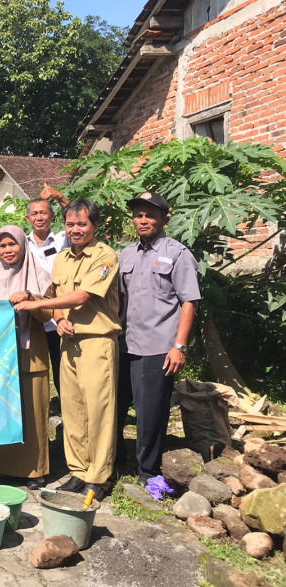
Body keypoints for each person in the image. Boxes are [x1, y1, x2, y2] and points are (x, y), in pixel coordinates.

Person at [14, 199, 121, 501]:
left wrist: (35, 304)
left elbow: (82, 296)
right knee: (72, 411)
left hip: (97, 342)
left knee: (98, 412)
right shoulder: (61, 258)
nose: (75, 230)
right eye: (70, 224)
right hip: (68, 342)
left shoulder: (105, 256)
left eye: (82, 224)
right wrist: (58, 319)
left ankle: (98, 477)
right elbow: (57, 295)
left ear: (94, 225)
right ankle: (78, 471)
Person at [119, 192, 200, 483]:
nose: (143, 220)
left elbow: (189, 301)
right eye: (139, 215)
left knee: (150, 412)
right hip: (124, 343)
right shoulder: (126, 254)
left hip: (157, 346)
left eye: (150, 215)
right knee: (116, 407)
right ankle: (117, 463)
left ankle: (148, 472)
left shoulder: (177, 254)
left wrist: (179, 346)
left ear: (165, 219)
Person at [0, 226, 52, 489]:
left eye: (13, 244)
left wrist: (31, 298)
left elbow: (48, 315)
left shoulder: (39, 273)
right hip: (0, 354)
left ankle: (35, 471)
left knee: (33, 411)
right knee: (2, 408)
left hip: (30, 352)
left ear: (23, 245)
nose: (7, 250)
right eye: (2, 246)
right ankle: (4, 467)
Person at [25, 198, 69, 398]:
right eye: (34, 214)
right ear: (28, 219)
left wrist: (60, 198)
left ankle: (65, 404)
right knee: (36, 367)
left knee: (62, 366)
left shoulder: (62, 239)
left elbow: (75, 217)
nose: (39, 217)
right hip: (34, 315)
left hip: (59, 316)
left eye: (43, 213)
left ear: (52, 216)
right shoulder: (22, 243)